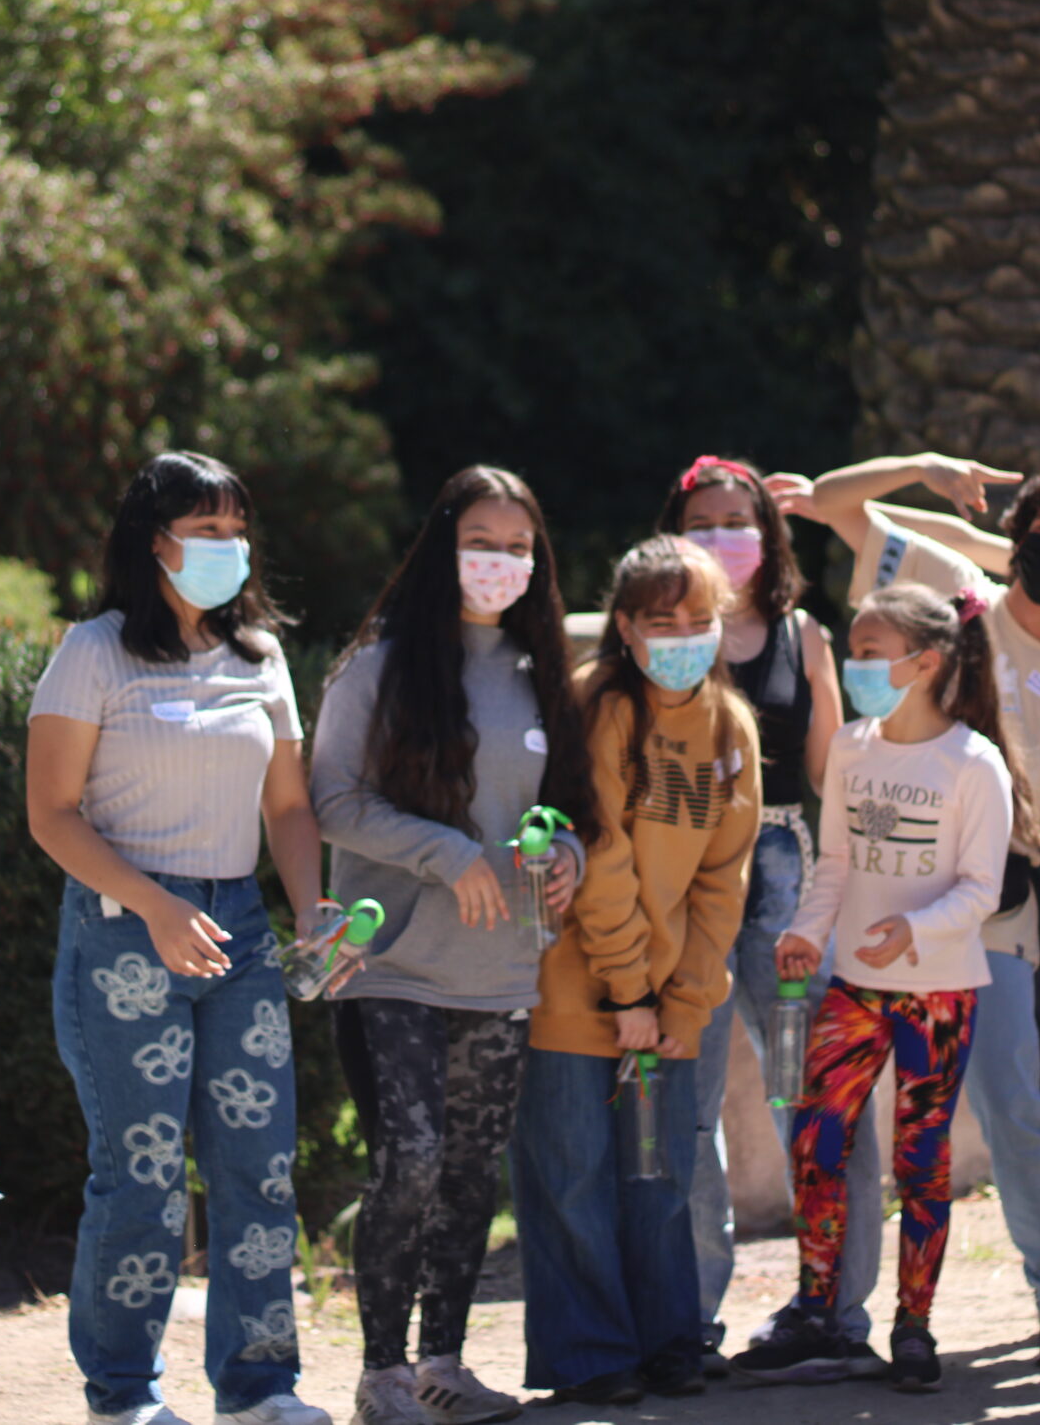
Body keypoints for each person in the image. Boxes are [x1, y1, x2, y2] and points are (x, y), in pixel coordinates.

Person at [773, 454, 1040, 1367]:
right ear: (1017, 532)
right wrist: (921, 469)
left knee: (1014, 1109)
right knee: (832, 1120)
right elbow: (831, 507)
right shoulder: (953, 590)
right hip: (868, 909)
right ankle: (829, 1312)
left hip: (987, 921)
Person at [25, 452, 330, 1425]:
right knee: (142, 1174)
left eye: (236, 530)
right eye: (205, 530)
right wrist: (154, 904)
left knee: (260, 1168)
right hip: (123, 931)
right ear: (152, 542)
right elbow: (51, 813)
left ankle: (259, 1388)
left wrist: (311, 909)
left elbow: (289, 806)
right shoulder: (93, 651)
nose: (227, 548)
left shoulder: (260, 656)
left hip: (239, 929)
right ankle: (122, 1395)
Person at [310, 465, 596, 1425]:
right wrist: (445, 852)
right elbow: (331, 800)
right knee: (412, 1160)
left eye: (518, 547)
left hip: (500, 970)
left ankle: (443, 1366)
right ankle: (382, 1375)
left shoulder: (538, 671)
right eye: (481, 542)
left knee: (473, 1175)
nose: (500, 562)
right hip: (389, 963)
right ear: (443, 546)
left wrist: (567, 857)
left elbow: (570, 810)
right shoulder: (375, 667)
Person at [732, 583, 1017, 1393]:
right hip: (854, 988)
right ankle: (818, 1308)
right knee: (815, 1136)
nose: (854, 665)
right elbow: (836, 862)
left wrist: (914, 929)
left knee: (922, 1160)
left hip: (940, 994)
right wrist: (806, 929)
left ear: (925, 662)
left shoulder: (975, 763)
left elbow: (981, 888)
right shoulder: (852, 749)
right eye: (852, 649)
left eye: (868, 652)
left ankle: (913, 1324)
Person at [510, 536, 759, 1407]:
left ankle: (669, 1341)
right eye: (663, 620)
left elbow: (724, 881)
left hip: (665, 999)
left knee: (659, 1177)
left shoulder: (729, 724)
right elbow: (600, 852)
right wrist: (631, 990)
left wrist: (682, 1000)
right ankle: (589, 1354)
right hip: (578, 988)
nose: (684, 636)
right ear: (625, 624)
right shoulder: (602, 703)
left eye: (700, 619)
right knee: (572, 1176)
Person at [657, 456, 847, 1369]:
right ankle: (691, 1315)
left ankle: (827, 1306)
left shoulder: (805, 636)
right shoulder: (656, 636)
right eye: (702, 521)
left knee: (804, 1089)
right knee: (687, 1103)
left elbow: (834, 775)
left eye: (738, 520)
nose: (721, 537)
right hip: (683, 871)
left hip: (781, 871)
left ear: (769, 535)